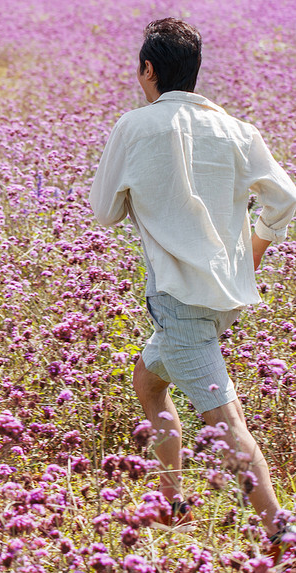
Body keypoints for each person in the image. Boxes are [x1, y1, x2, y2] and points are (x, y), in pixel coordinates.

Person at [90, 18, 296, 559]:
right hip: (222, 299)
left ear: (148, 70)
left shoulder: (136, 126)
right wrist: (254, 251)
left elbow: (104, 212)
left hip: (178, 300)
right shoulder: (237, 130)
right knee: (149, 382)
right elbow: (285, 198)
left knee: (226, 424)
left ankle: (281, 531)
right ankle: (174, 499)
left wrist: (143, 197)